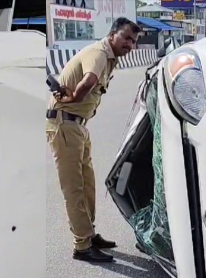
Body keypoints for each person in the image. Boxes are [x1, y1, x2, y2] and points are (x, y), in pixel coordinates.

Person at [46, 17, 141, 262]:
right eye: (126, 38)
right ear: (112, 35)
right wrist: (73, 99)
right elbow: (88, 80)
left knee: (88, 185)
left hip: (77, 126)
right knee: (74, 187)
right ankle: (82, 245)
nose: (130, 45)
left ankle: (89, 233)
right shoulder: (99, 53)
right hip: (65, 124)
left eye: (133, 41)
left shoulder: (110, 58)